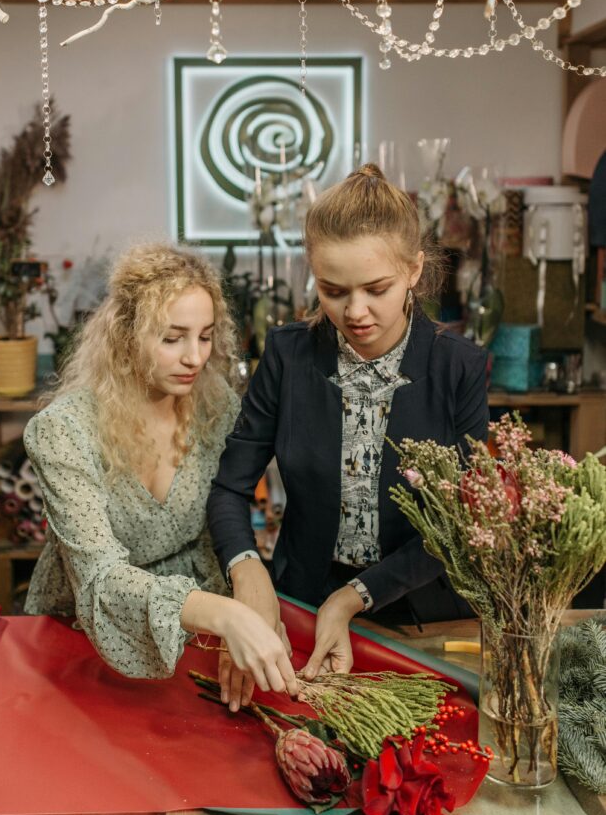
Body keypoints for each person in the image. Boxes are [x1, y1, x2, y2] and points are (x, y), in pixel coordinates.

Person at [207, 164, 488, 707]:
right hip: (300, 605)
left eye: (376, 289)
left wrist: (353, 598)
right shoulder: (289, 356)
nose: (355, 312)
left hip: (423, 615)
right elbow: (229, 489)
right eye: (333, 291)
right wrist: (248, 573)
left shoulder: (460, 368)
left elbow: (460, 525)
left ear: (413, 270)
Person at [24, 242, 297, 702]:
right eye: (173, 338)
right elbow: (99, 576)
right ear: (125, 336)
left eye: (206, 336)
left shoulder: (217, 410)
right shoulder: (62, 431)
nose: (195, 357)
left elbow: (220, 526)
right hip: (83, 635)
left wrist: (243, 600)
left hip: (196, 632)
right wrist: (225, 616)